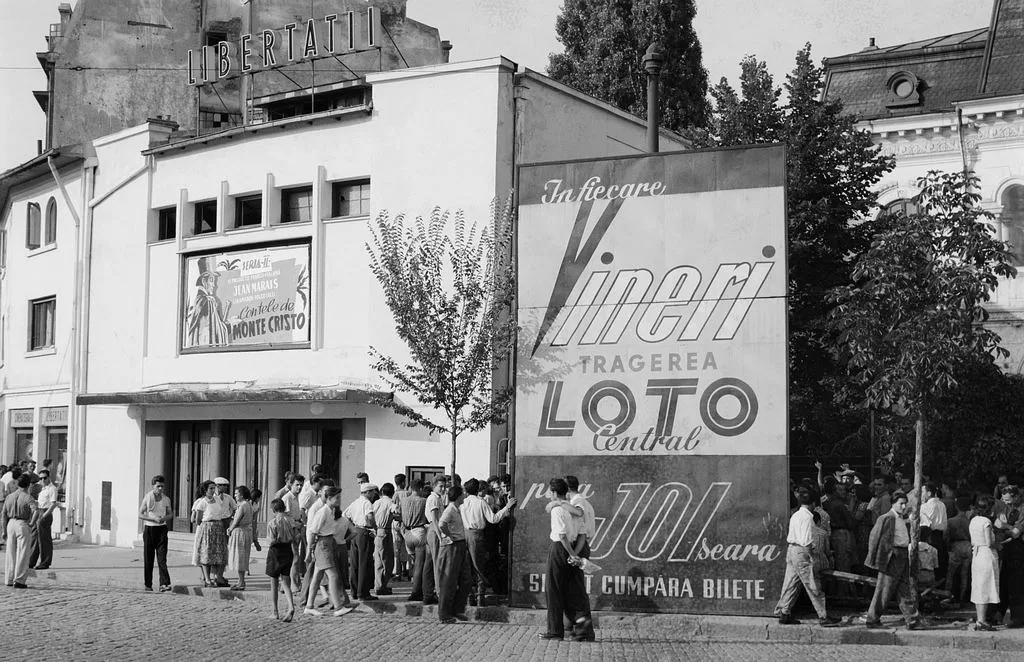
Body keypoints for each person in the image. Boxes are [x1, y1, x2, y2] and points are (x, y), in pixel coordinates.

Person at [774, 488, 841, 627]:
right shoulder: (808, 517)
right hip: (802, 551)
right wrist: (812, 558)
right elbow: (806, 541)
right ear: (813, 503)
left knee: (791, 583)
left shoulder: (796, 515)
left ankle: (784, 612)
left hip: (791, 550)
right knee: (813, 584)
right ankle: (823, 616)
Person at [538, 478, 592, 641]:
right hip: (576, 547)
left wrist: (570, 553)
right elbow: (582, 534)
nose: (548, 494)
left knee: (553, 590)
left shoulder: (558, 510)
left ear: (554, 492)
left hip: (560, 550)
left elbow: (561, 536)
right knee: (576, 591)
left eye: (549, 491)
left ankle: (555, 631)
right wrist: (575, 553)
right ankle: (585, 631)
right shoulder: (575, 509)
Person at [862, 491, 920, 629]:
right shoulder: (886, 518)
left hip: (903, 555)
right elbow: (874, 538)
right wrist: (874, 558)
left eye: (905, 503)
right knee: (884, 589)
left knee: (904, 589)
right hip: (892, 556)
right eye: (901, 503)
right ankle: (872, 618)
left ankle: (912, 620)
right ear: (893, 504)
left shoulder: (902, 519)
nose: (904, 506)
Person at [460, 478, 517, 607]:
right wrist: (506, 508)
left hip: (465, 534)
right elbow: (493, 519)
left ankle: (470, 596)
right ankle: (480, 596)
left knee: (468, 567)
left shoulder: (463, 503)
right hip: (477, 535)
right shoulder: (480, 503)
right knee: (479, 566)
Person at [304, 486, 353, 616]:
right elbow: (313, 531)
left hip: (328, 543)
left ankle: (309, 606)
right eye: (337, 498)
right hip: (322, 544)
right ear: (329, 499)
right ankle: (338, 607)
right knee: (333, 575)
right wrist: (309, 551)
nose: (339, 500)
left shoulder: (330, 511)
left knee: (317, 576)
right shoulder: (323, 512)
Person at [436, 484, 472, 624]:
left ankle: (457, 609)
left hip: (460, 545)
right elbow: (441, 524)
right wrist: (450, 535)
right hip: (453, 546)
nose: (464, 495)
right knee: (449, 581)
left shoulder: (457, 509)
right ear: (458, 496)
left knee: (466, 580)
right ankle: (444, 614)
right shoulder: (450, 510)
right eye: (462, 494)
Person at [343, 482, 378, 601]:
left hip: (356, 531)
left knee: (355, 563)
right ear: (367, 492)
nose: (374, 494)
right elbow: (370, 517)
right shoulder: (367, 503)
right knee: (364, 563)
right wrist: (375, 527)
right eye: (372, 492)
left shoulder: (355, 502)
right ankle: (363, 592)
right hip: (364, 531)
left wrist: (352, 526)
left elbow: (345, 515)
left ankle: (354, 590)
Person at [995, 484, 1023, 627]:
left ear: (1017, 497)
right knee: (1004, 581)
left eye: (1008, 501)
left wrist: (1005, 527)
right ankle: (999, 613)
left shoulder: (1022, 510)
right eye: (1004, 500)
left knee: (1016, 584)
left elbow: (1017, 533)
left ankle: (1018, 617)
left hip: (1019, 549)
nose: (1005, 503)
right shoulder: (1006, 508)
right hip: (1007, 547)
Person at [138, 475, 173, 592]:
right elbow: (140, 514)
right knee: (149, 558)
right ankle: (148, 584)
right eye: (158, 486)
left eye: (162, 486)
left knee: (162, 558)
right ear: (153, 486)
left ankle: (164, 583)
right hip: (150, 529)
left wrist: (164, 518)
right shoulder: (148, 498)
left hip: (162, 529)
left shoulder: (166, 499)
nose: (160, 489)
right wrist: (153, 519)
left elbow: (170, 514)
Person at [2, 475, 37, 588]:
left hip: (10, 523)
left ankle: (9, 578)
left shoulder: (10, 497)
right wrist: (32, 523)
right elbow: (36, 511)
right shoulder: (28, 497)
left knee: (10, 553)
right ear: (28, 485)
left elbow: (3, 514)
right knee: (23, 553)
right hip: (22, 523)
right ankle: (19, 580)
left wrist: (4, 529)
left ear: (18, 484)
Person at [971, 496, 1000, 631]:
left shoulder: (973, 521)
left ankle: (979, 619)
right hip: (986, 554)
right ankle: (982, 620)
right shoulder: (986, 522)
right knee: (986, 586)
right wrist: (999, 545)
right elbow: (989, 542)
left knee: (978, 585)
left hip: (976, 554)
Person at [191, 480, 228, 588]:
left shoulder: (217, 500)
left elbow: (221, 511)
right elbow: (198, 520)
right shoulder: (202, 502)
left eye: (214, 488)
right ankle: (207, 579)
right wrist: (206, 526)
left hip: (218, 527)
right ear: (205, 490)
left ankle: (219, 577)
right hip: (207, 527)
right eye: (210, 488)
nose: (213, 490)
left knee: (221, 553)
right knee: (206, 553)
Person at [265, 498, 296, 622]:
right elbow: (294, 537)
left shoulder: (273, 523)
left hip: (275, 552)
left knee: (274, 583)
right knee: (286, 582)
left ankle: (275, 611)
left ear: (273, 510)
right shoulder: (290, 521)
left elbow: (271, 541)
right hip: (288, 550)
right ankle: (291, 606)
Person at [942, 496, 973, 608]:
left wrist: (948, 547)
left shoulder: (951, 521)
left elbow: (946, 537)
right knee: (965, 573)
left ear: (956, 507)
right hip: (968, 545)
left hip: (955, 546)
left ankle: (947, 596)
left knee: (951, 573)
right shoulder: (969, 522)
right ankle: (963, 597)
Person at [401, 479, 429, 601]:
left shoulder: (404, 500)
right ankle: (416, 592)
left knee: (412, 562)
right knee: (419, 565)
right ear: (421, 489)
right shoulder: (424, 501)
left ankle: (414, 586)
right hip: (419, 532)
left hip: (407, 533)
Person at [423, 477, 447, 606]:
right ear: (434, 486)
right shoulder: (433, 499)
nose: (443, 489)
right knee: (437, 563)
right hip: (434, 530)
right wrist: (440, 537)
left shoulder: (438, 498)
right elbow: (435, 520)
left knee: (430, 563)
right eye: (440, 486)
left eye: (444, 486)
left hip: (433, 530)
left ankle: (428, 593)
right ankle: (439, 592)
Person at [227, 485, 256, 590]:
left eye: (236, 493)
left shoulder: (243, 505)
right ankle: (240, 580)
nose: (235, 496)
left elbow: (236, 520)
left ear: (242, 494)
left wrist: (230, 529)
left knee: (240, 557)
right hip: (245, 531)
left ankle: (242, 581)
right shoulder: (248, 504)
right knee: (242, 557)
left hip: (240, 532)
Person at [29, 469, 58, 571]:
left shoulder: (52, 489)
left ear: (49, 477)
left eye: (44, 478)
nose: (42, 480)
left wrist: (44, 516)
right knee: (34, 537)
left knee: (44, 539)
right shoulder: (42, 488)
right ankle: (31, 561)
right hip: (39, 511)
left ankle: (45, 562)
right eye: (40, 478)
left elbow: (53, 504)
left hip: (45, 513)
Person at [919, 483, 948, 583]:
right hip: (939, 538)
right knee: (939, 566)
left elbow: (923, 523)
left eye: (922, 492)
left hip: (929, 537)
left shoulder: (926, 506)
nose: (921, 494)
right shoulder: (942, 504)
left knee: (929, 565)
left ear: (929, 493)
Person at [372, 482, 397, 596]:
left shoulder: (376, 502)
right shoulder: (391, 502)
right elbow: (396, 512)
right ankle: (382, 585)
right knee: (387, 561)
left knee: (378, 559)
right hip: (386, 531)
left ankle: (378, 584)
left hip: (376, 530)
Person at [282, 474, 306, 588]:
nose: (299, 487)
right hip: (290, 529)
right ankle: (294, 585)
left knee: (293, 557)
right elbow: (285, 516)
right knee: (294, 558)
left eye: (301, 485)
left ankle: (288, 585)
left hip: (297, 527)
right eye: (297, 485)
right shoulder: (287, 498)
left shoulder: (297, 498)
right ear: (291, 484)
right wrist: (296, 524)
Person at [392, 474, 412, 580]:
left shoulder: (394, 495)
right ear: (403, 482)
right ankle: (407, 570)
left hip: (395, 522)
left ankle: (398, 572)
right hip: (405, 522)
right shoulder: (407, 494)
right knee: (407, 547)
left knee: (397, 548)